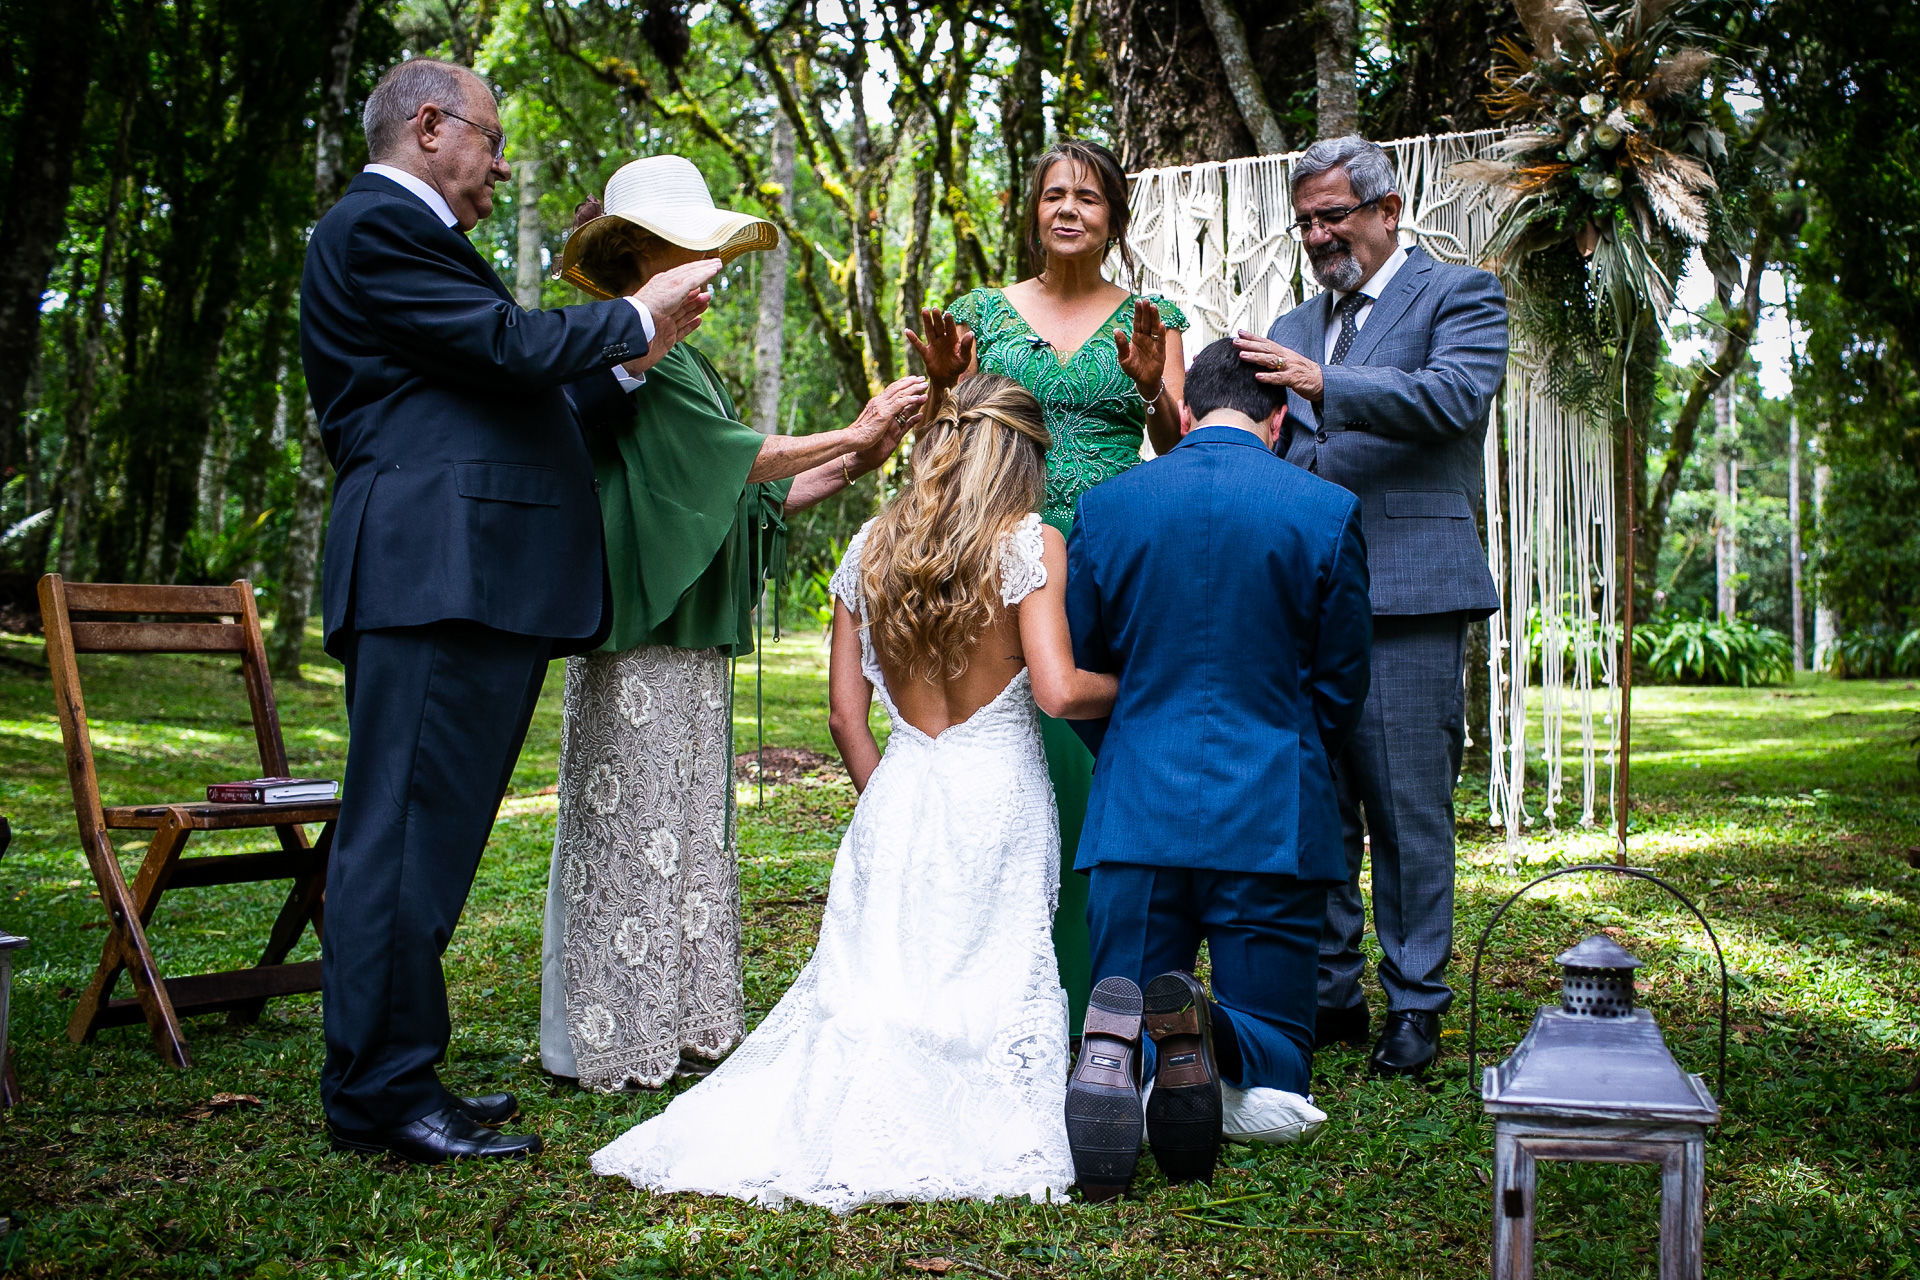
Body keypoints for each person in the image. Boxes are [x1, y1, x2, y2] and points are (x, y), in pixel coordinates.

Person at [299, 59, 720, 1163]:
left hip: (468, 575)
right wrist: (630, 313)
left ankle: (395, 1071)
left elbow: (515, 395)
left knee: (429, 841)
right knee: (402, 838)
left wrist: (637, 355)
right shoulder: (375, 226)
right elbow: (508, 346)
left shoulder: (418, 246)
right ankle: (380, 1093)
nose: (498, 164)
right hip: (432, 571)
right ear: (431, 126)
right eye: (490, 139)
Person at [591, 375, 1118, 1211]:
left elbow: (845, 717)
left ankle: (864, 1105)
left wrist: (890, 802)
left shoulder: (871, 546)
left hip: (899, 785)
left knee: (881, 969)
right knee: (992, 961)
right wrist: (1140, 685)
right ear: (1019, 457)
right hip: (996, 792)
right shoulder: (1028, 544)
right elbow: (1057, 692)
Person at [537, 155, 927, 1093]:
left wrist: (862, 451)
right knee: (629, 822)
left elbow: (750, 490)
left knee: (681, 822)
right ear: (642, 258)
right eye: (693, 257)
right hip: (643, 629)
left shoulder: (687, 357)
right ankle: (604, 1033)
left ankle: (672, 1022)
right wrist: (853, 431)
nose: (712, 277)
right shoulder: (634, 354)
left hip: (687, 631)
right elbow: (738, 459)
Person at [1060, 337, 1372, 1200]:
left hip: (1136, 812)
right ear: (1277, 421)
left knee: (1125, 1001)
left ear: (1186, 413)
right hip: (1270, 813)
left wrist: (1129, 753)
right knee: (1278, 1057)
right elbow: (1341, 686)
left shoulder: (1106, 508)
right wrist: (1291, 758)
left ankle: (1120, 1055)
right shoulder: (1327, 510)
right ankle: (1213, 1033)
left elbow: (1085, 673)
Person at [1234, 134, 1509, 1078]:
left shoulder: (1460, 295)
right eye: (1305, 221)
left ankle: (1417, 1003)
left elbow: (1452, 399)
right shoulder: (1291, 321)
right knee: (1319, 807)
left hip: (1411, 592)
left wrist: (1324, 382)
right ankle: (1332, 993)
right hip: (1302, 604)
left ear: (1388, 210)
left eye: (1333, 215)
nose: (1317, 235)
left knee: (1406, 813)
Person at [908, 139, 1189, 1044]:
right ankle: (994, 973)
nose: (1070, 209)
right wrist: (941, 386)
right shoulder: (979, 315)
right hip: (1001, 555)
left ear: (1114, 218)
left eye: (1090, 197)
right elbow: (940, 440)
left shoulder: (1149, 319)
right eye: (1054, 194)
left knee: (1099, 761)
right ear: (1033, 211)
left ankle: (1102, 980)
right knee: (1007, 759)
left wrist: (1150, 390)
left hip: (1112, 559)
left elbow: (1179, 446)